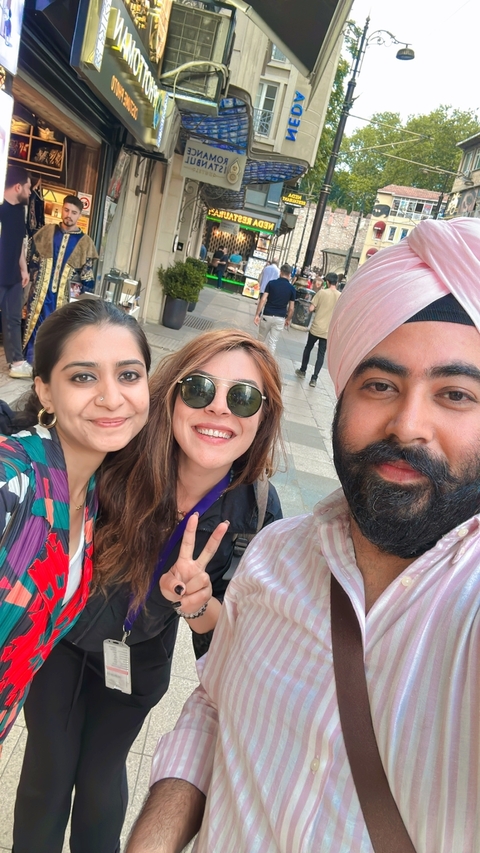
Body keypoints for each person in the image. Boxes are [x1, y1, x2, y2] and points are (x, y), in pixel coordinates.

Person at [126, 217, 480, 853]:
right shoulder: (276, 554)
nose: (408, 424)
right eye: (380, 385)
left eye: (455, 394)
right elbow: (213, 706)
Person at [13, 329, 284, 853]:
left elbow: (229, 642)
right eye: (201, 389)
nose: (219, 410)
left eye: (244, 397)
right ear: (173, 396)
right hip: (59, 645)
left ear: (263, 416)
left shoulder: (255, 513)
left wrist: (199, 602)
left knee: (99, 780)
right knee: (48, 773)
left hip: (138, 661)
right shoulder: (123, 452)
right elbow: (34, 439)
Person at [0, 298, 150, 755]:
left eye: (128, 375)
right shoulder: (13, 477)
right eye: (83, 376)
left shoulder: (88, 500)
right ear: (45, 391)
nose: (111, 396)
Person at [23, 195, 98, 363]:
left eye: (74, 212)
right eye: (66, 210)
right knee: (35, 327)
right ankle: (30, 362)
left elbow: (87, 277)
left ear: (80, 215)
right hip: (39, 294)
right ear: (62, 209)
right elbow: (32, 261)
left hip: (63, 299)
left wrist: (82, 300)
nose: (69, 215)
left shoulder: (85, 243)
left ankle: (49, 366)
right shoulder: (47, 232)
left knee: (57, 332)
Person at [0, 164, 32, 379]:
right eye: (29, 188)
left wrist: (24, 268)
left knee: (12, 318)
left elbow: (19, 242)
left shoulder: (20, 210)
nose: (31, 193)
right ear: (18, 187)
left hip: (12, 273)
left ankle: (17, 362)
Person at [295, 270, 340, 387]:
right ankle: (314, 378)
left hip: (316, 328)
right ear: (337, 282)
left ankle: (303, 370)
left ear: (328, 282)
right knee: (321, 354)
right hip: (327, 331)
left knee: (308, 348)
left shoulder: (322, 293)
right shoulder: (340, 296)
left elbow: (310, 308)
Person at [254, 262, 296, 355]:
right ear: (289, 275)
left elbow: (263, 299)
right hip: (280, 317)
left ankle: (257, 359)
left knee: (260, 340)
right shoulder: (291, 288)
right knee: (273, 343)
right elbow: (291, 308)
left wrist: (258, 314)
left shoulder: (271, 283)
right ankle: (269, 364)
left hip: (267, 314)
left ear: (280, 272)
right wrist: (288, 319)